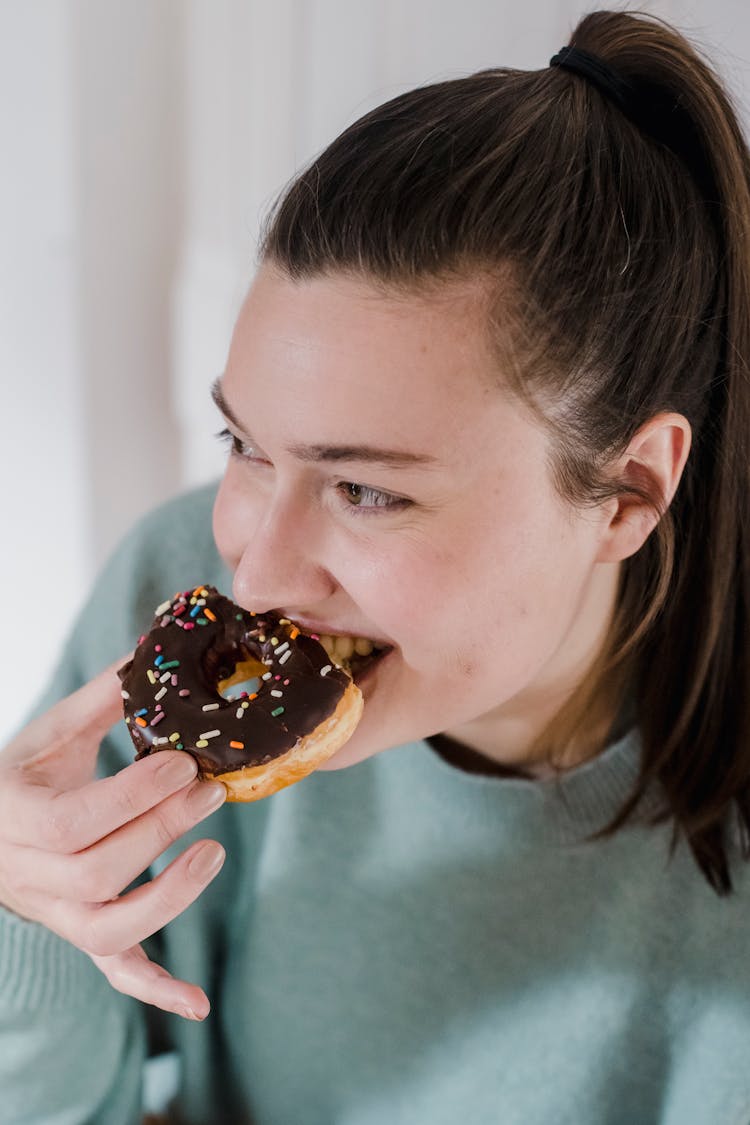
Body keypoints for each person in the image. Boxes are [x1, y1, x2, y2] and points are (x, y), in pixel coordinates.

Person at [1, 8, 749, 1124]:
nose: (257, 576)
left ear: (630, 489)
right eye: (246, 446)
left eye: (366, 491)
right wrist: (23, 926)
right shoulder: (178, 592)